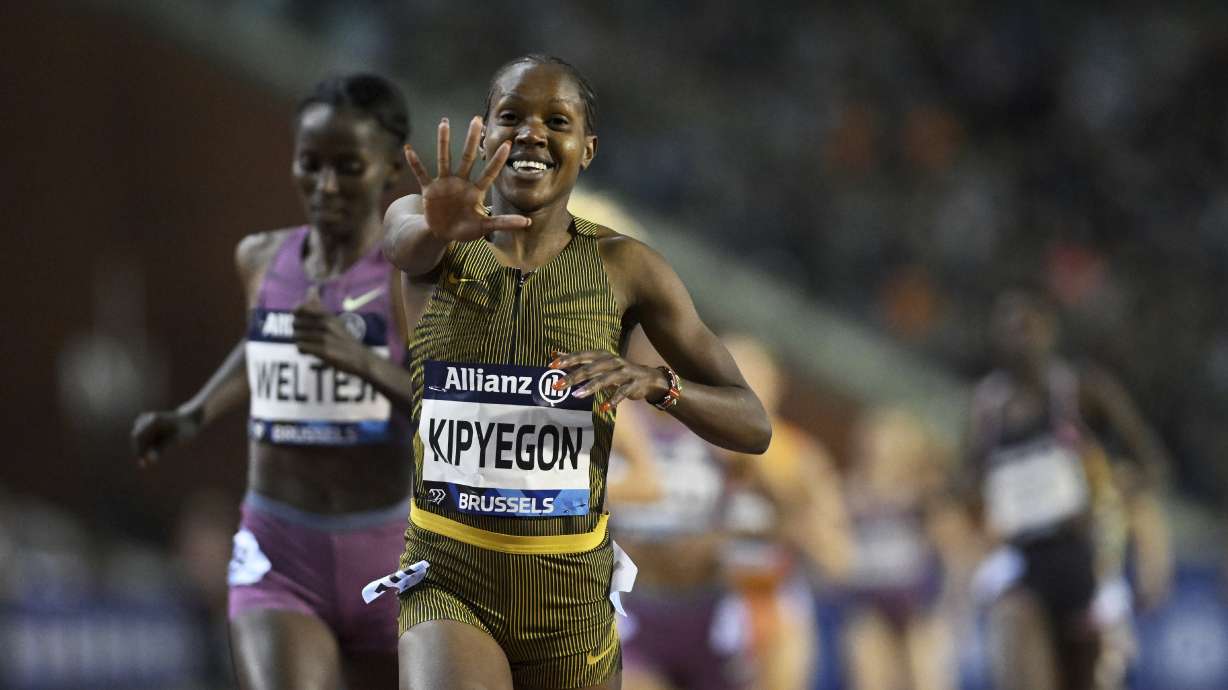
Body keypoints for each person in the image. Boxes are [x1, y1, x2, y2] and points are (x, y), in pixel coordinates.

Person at [382, 54, 772, 690]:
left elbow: (752, 423)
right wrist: (436, 223)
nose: (532, 133)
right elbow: (402, 244)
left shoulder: (628, 268)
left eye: (555, 120)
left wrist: (657, 384)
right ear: (484, 132)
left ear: (585, 149)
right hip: (448, 577)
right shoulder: (426, 227)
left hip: (569, 603)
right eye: (512, 116)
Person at [131, 73, 415, 690]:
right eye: (310, 164)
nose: (326, 185)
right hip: (278, 549)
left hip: (390, 551)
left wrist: (361, 360)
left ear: (391, 167)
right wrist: (194, 412)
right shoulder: (261, 257)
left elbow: (446, 405)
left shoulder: (407, 278)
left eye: (348, 166)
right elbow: (260, 345)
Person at [965, 289, 1171, 690]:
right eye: (1006, 329)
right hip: (1022, 559)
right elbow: (967, 479)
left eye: (1026, 327)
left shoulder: (1080, 390)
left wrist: (1112, 489)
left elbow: (1151, 464)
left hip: (1086, 559)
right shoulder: (988, 406)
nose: (1017, 339)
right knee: (1015, 643)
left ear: (1048, 330)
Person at [607, 329, 750, 690]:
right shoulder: (612, 420)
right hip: (638, 604)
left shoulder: (718, 428)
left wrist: (726, 537)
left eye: (669, 349)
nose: (657, 360)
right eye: (646, 350)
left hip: (706, 607)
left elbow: (778, 500)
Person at [717, 334, 851, 690]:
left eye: (752, 377)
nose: (741, 387)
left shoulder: (803, 456)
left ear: (776, 386)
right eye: (728, 373)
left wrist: (789, 515)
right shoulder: (691, 445)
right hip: (705, 600)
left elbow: (839, 558)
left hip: (775, 600)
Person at [842, 407, 959, 690]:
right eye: (873, 444)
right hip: (871, 602)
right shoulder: (852, 490)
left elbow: (950, 538)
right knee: (869, 672)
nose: (879, 452)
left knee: (923, 674)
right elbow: (835, 543)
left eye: (887, 444)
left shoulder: (922, 489)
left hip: (920, 603)